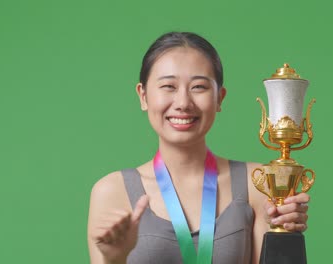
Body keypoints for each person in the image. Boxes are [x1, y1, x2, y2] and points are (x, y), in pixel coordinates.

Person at [87, 32, 310, 264]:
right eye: (168, 86)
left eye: (199, 87)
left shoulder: (259, 183)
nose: (183, 103)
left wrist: (284, 233)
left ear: (219, 98)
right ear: (143, 96)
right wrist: (114, 258)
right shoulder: (112, 191)